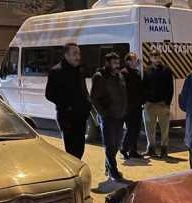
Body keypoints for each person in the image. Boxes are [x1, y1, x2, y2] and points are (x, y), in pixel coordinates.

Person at [45, 43, 91, 159]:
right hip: (67, 117)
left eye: (79, 53)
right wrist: (67, 105)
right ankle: (73, 175)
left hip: (81, 116)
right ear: (66, 55)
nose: (78, 57)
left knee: (80, 149)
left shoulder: (79, 70)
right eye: (75, 54)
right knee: (71, 151)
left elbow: (83, 90)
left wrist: (87, 105)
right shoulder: (56, 71)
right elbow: (49, 94)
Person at [90, 52, 128, 181]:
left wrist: (124, 110)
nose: (117, 65)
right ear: (107, 63)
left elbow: (123, 94)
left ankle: (108, 167)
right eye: (114, 63)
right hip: (108, 117)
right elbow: (94, 98)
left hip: (120, 116)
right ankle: (114, 171)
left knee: (117, 144)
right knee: (110, 145)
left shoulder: (120, 76)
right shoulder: (100, 77)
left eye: (118, 62)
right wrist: (103, 113)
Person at [142, 49, 174, 158]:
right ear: (150, 58)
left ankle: (164, 150)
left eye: (157, 56)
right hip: (149, 104)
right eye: (153, 56)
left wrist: (167, 103)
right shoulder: (147, 70)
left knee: (164, 128)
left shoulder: (166, 70)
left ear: (160, 57)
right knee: (149, 128)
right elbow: (144, 87)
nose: (155, 58)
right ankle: (151, 149)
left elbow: (170, 87)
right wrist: (145, 102)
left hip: (162, 104)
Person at [120, 52, 145, 159]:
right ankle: (123, 148)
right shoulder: (123, 73)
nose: (136, 62)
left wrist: (142, 100)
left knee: (137, 128)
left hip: (138, 105)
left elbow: (140, 88)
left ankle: (133, 151)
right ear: (128, 61)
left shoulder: (137, 72)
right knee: (130, 129)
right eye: (134, 60)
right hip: (128, 106)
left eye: (136, 59)